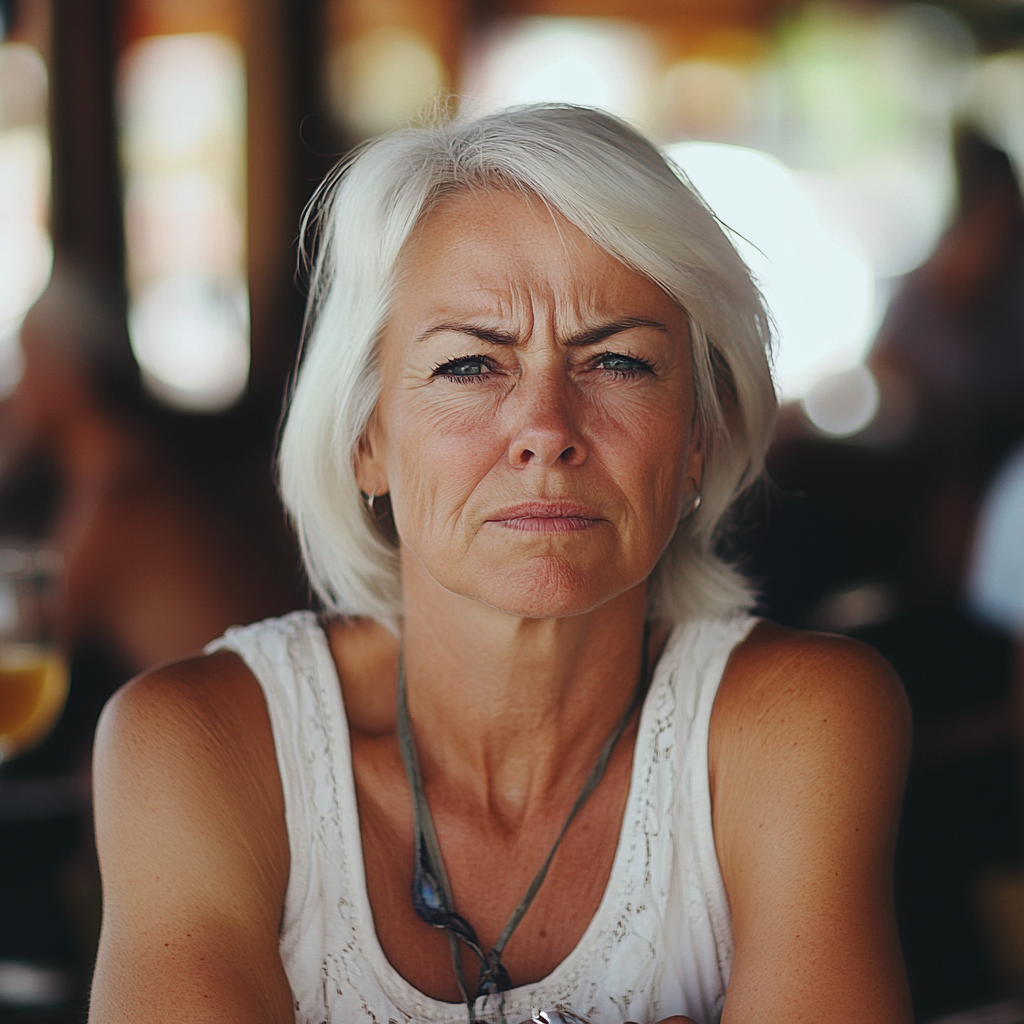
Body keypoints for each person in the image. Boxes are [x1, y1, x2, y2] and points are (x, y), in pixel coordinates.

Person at [87, 105, 912, 1024]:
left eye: (621, 363)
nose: (547, 430)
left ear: (697, 438)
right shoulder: (200, 746)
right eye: (470, 367)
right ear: (366, 439)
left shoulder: (796, 728)